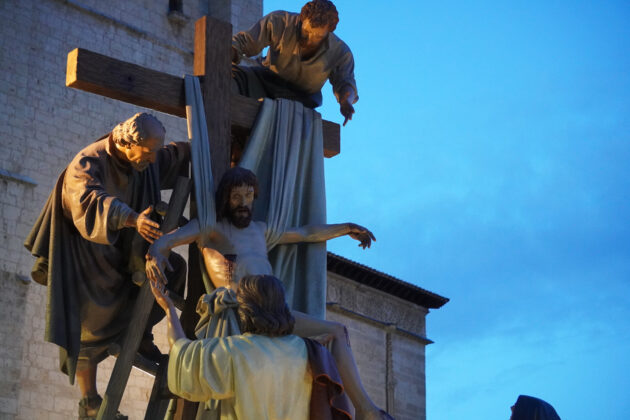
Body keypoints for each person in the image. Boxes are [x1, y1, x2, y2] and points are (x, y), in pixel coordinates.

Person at [146, 167, 392, 420]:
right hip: (240, 310)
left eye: (248, 196)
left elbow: (306, 233)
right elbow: (166, 241)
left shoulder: (260, 231)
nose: (243, 203)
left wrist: (345, 227)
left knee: (337, 331)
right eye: (236, 197)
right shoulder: (211, 229)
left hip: (275, 310)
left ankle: (366, 408)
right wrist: (154, 255)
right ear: (225, 199)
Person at [24, 113, 189, 419]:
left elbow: (170, 158)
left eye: (156, 151)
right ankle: (89, 400)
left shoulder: (144, 159)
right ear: (127, 143)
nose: (153, 159)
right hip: (89, 256)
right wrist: (131, 218)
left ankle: (140, 336)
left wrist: (201, 148)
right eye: (149, 152)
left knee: (174, 271)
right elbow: (88, 198)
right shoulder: (88, 162)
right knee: (90, 321)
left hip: (131, 250)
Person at [151, 274, 352, 420]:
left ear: (246, 311)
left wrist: (168, 308)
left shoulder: (236, 351)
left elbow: (182, 354)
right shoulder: (309, 352)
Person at [232, 0, 358, 125]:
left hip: (301, 101)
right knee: (232, 78)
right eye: (306, 32)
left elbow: (345, 83)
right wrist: (229, 51)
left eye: (318, 37)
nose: (310, 40)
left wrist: (345, 101)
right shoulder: (279, 21)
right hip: (263, 82)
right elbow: (245, 41)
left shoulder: (341, 53)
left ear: (330, 29)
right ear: (302, 19)